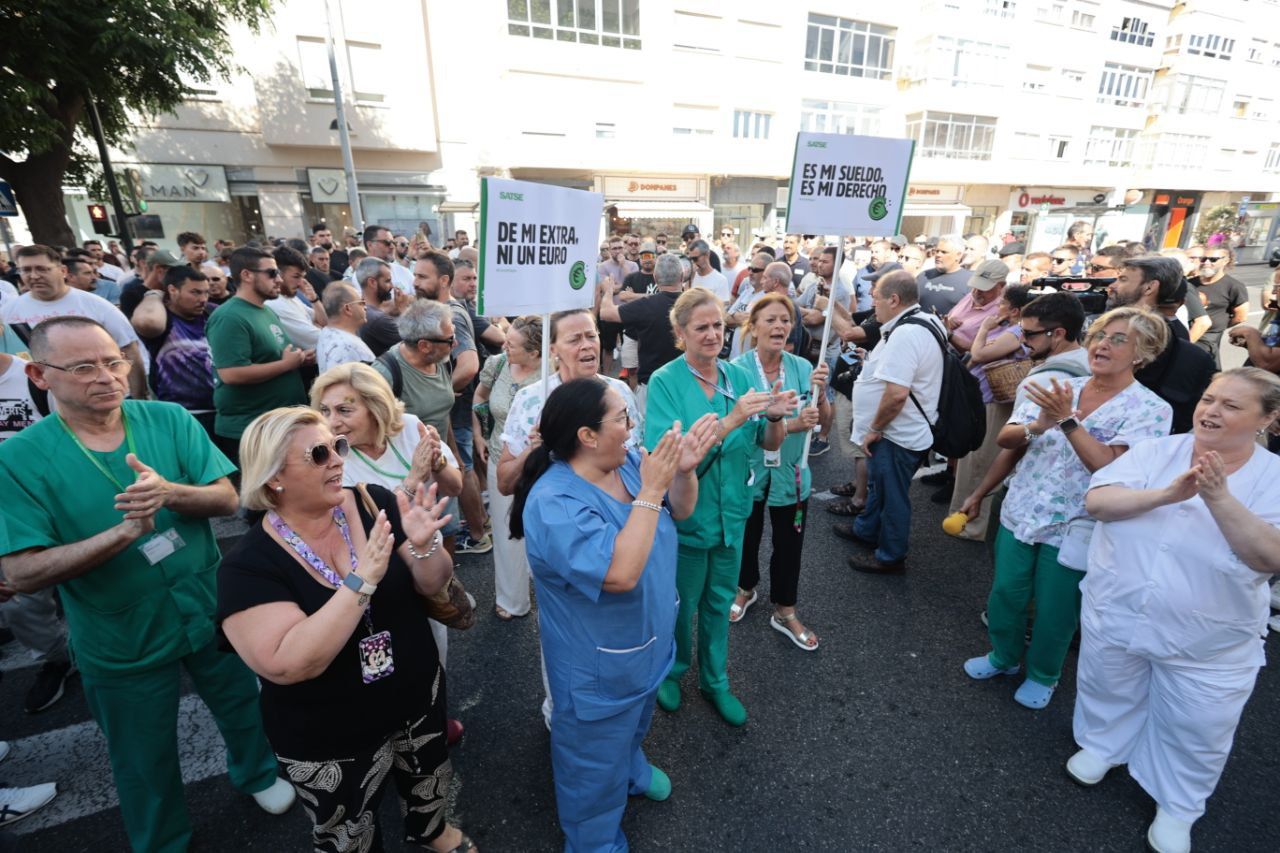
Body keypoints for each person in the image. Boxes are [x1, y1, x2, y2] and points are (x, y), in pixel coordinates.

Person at [0, 317, 294, 852]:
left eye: (114, 361)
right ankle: (162, 840)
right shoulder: (16, 458)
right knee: (140, 750)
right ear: (41, 376)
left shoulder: (167, 417)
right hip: (118, 631)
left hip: (206, 601)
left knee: (240, 701)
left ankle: (256, 772)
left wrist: (169, 493)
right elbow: (22, 572)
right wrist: (126, 532)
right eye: (84, 366)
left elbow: (227, 498)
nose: (106, 376)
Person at [217, 408, 476, 853]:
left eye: (337, 446)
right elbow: (289, 663)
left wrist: (424, 545)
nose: (338, 459)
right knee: (346, 827)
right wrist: (363, 579)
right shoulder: (247, 567)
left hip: (414, 691)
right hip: (327, 731)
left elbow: (432, 582)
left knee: (429, 773)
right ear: (273, 477)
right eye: (319, 454)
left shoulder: (372, 499)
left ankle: (432, 830)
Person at [1069, 368, 1280, 853]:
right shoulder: (1157, 452)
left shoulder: (1271, 479)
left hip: (1209, 640)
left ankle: (1178, 803)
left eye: (1230, 405)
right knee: (1108, 683)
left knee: (1198, 724)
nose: (1210, 411)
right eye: (1209, 399)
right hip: (1118, 611)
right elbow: (1098, 500)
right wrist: (1166, 494)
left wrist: (1218, 497)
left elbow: (1269, 557)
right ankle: (1105, 745)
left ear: (1267, 418)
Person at [511, 378, 716, 852]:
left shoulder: (625, 463)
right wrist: (652, 489)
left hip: (644, 647)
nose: (632, 426)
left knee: (633, 726)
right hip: (598, 668)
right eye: (622, 417)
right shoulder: (554, 503)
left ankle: (630, 768)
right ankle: (593, 840)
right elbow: (621, 573)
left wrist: (681, 473)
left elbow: (681, 510)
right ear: (586, 435)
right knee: (590, 766)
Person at [964, 307, 1172, 710]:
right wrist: (1036, 426)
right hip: (1023, 508)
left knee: (1057, 607)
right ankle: (1003, 657)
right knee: (1006, 592)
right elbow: (1009, 440)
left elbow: (1108, 466)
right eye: (1099, 336)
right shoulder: (1061, 384)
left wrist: (1067, 422)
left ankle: (1044, 673)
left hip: (1080, 523)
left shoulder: (1151, 410)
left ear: (1142, 354)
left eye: (1118, 339)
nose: (1102, 345)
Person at [644, 288, 795, 725]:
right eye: (701, 328)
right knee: (681, 604)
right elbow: (668, 454)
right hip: (689, 518)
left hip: (734, 516)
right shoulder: (665, 382)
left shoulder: (738, 378)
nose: (713, 335)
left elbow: (769, 446)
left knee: (718, 603)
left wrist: (773, 417)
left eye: (718, 326)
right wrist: (732, 421)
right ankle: (671, 670)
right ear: (680, 333)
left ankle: (715, 681)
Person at [729, 294, 829, 651]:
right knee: (747, 538)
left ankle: (785, 610)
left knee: (790, 546)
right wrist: (793, 423)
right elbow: (740, 428)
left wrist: (823, 394)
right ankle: (745, 589)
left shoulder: (804, 368)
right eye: (770, 320)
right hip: (750, 473)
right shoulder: (737, 370)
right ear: (753, 326)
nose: (779, 327)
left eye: (785, 321)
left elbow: (823, 423)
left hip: (792, 475)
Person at [833, 270, 945, 574]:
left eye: (877, 297)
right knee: (880, 487)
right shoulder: (920, 321)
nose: (873, 303)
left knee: (893, 495)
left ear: (894, 299)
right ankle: (867, 529)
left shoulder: (907, 333)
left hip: (899, 433)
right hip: (902, 431)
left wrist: (875, 429)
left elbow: (896, 395)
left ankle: (890, 555)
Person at [206, 247, 311, 467]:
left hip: (278, 426)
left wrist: (298, 360)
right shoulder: (230, 317)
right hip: (251, 430)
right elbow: (231, 373)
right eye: (272, 273)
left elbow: (273, 356)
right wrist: (285, 365)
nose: (279, 280)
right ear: (246, 275)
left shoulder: (265, 310)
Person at [945, 284, 1034, 541]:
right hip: (987, 399)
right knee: (974, 461)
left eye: (1003, 303)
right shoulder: (1011, 328)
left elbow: (979, 353)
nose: (998, 307)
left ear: (1015, 309)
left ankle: (972, 525)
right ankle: (966, 518)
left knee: (980, 463)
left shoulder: (1016, 331)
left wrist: (984, 327)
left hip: (995, 403)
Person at [3, 245, 148, 400]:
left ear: (63, 271)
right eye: (26, 270)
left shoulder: (98, 306)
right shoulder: (8, 312)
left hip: (98, 395)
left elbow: (129, 349)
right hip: (36, 400)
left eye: (42, 269)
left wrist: (138, 395)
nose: (34, 276)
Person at [473, 317, 542, 620]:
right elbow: (480, 397)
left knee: (541, 529)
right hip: (502, 460)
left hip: (542, 467)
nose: (503, 346)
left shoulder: (554, 374)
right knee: (505, 532)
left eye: (511, 344)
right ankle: (512, 599)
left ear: (536, 353)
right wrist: (478, 435)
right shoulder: (497, 364)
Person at [1105, 256, 1216, 434]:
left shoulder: (1155, 337)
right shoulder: (1159, 332)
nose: (1114, 285)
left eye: (1123, 279)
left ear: (1149, 287)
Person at [131, 264, 218, 438]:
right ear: (172, 290)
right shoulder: (163, 319)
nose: (203, 299)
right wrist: (154, 294)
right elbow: (146, 322)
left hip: (221, 412)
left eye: (206, 292)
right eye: (195, 292)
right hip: (184, 415)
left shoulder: (212, 313)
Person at [599, 254, 683, 410]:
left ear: (656, 279)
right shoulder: (697, 302)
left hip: (652, 386)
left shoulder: (646, 305)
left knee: (649, 432)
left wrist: (609, 290)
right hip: (689, 384)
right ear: (682, 276)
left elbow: (605, 313)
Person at [1191, 246, 1248, 368]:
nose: (1207, 263)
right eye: (1204, 258)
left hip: (1208, 338)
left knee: (1202, 371)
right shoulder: (1190, 283)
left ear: (1225, 261)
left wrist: (1219, 325)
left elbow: (1241, 316)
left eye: (1213, 259)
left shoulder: (1234, 286)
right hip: (1187, 331)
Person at [316, 282, 374, 372]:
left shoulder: (327, 331)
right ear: (348, 309)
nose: (365, 307)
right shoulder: (346, 347)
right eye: (361, 302)